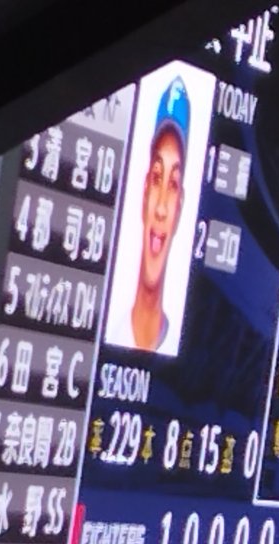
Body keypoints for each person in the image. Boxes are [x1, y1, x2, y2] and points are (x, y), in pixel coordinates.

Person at [124, 76, 192, 354]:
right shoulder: (107, 330)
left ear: (180, 207)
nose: (161, 208)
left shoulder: (186, 354)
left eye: (173, 184)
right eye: (156, 177)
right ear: (144, 192)